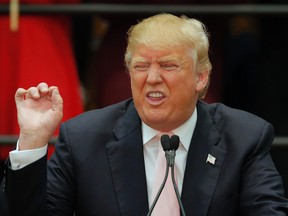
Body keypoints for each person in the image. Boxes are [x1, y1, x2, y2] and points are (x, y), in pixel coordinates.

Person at [2, 13, 288, 216]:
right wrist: (33, 140)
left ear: (201, 78)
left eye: (168, 65)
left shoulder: (244, 137)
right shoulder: (83, 138)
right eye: (140, 66)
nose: (152, 78)